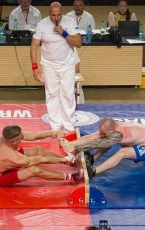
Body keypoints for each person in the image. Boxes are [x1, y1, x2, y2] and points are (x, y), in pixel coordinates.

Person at [30, 2, 82, 133]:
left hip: (67, 64)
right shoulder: (42, 24)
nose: (56, 18)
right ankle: (55, 126)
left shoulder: (69, 22)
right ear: (49, 13)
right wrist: (35, 66)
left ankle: (69, 125)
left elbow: (79, 43)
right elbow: (34, 46)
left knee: (67, 93)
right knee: (51, 94)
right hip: (49, 64)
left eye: (58, 14)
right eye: (53, 15)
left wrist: (64, 33)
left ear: (62, 12)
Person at [60, 117, 145, 178]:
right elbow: (93, 136)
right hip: (143, 139)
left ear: (112, 130)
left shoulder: (125, 133)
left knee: (122, 152)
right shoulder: (113, 126)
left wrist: (77, 148)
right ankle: (92, 159)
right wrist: (70, 144)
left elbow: (99, 143)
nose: (102, 134)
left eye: (104, 132)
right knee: (107, 138)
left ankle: (93, 172)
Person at [0, 125, 81, 187]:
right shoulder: (12, 156)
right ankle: (72, 177)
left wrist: (54, 133)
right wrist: (64, 160)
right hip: (0, 176)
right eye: (21, 138)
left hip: (1, 162)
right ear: (14, 141)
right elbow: (39, 160)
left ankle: (72, 162)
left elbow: (34, 136)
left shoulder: (7, 137)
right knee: (34, 170)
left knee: (37, 150)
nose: (22, 138)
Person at [66, 0, 95, 73]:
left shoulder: (89, 17)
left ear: (84, 6)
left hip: (84, 42)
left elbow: (91, 32)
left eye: (80, 5)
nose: (77, 7)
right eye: (75, 5)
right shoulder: (68, 16)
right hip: (71, 41)